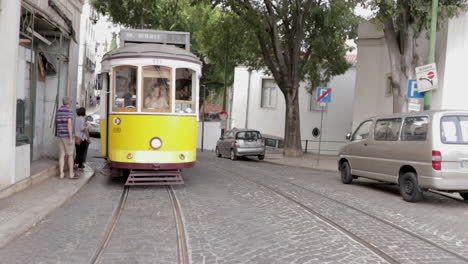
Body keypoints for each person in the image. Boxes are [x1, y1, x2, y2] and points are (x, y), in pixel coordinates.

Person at [55, 96, 75, 179]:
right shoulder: (69, 111)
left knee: (62, 154)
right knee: (70, 155)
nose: (71, 103)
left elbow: (56, 123)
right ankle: (71, 173)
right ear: (69, 103)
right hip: (67, 136)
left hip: (60, 135)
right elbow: (69, 124)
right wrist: (71, 137)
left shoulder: (58, 111)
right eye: (71, 102)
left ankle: (61, 174)